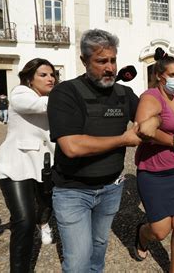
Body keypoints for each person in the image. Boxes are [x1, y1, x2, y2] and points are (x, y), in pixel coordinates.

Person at [47, 29, 153, 272]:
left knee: (98, 248)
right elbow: (71, 146)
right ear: (84, 61)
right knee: (77, 261)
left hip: (111, 188)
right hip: (72, 191)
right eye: (101, 61)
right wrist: (123, 139)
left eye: (113, 60)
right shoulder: (65, 93)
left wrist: (150, 122)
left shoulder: (123, 93)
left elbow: (151, 115)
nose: (110, 68)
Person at [133, 47, 174, 273]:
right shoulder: (150, 97)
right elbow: (142, 130)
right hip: (154, 172)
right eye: (173, 75)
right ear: (160, 76)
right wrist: (173, 142)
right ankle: (142, 233)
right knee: (160, 231)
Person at [0, 58, 57, 272]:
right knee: (23, 220)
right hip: (15, 165)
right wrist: (71, 95)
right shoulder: (21, 94)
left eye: (52, 75)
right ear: (30, 79)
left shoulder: (53, 100)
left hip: (45, 165)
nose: (50, 78)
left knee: (46, 204)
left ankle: (44, 223)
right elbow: (37, 106)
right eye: (43, 75)